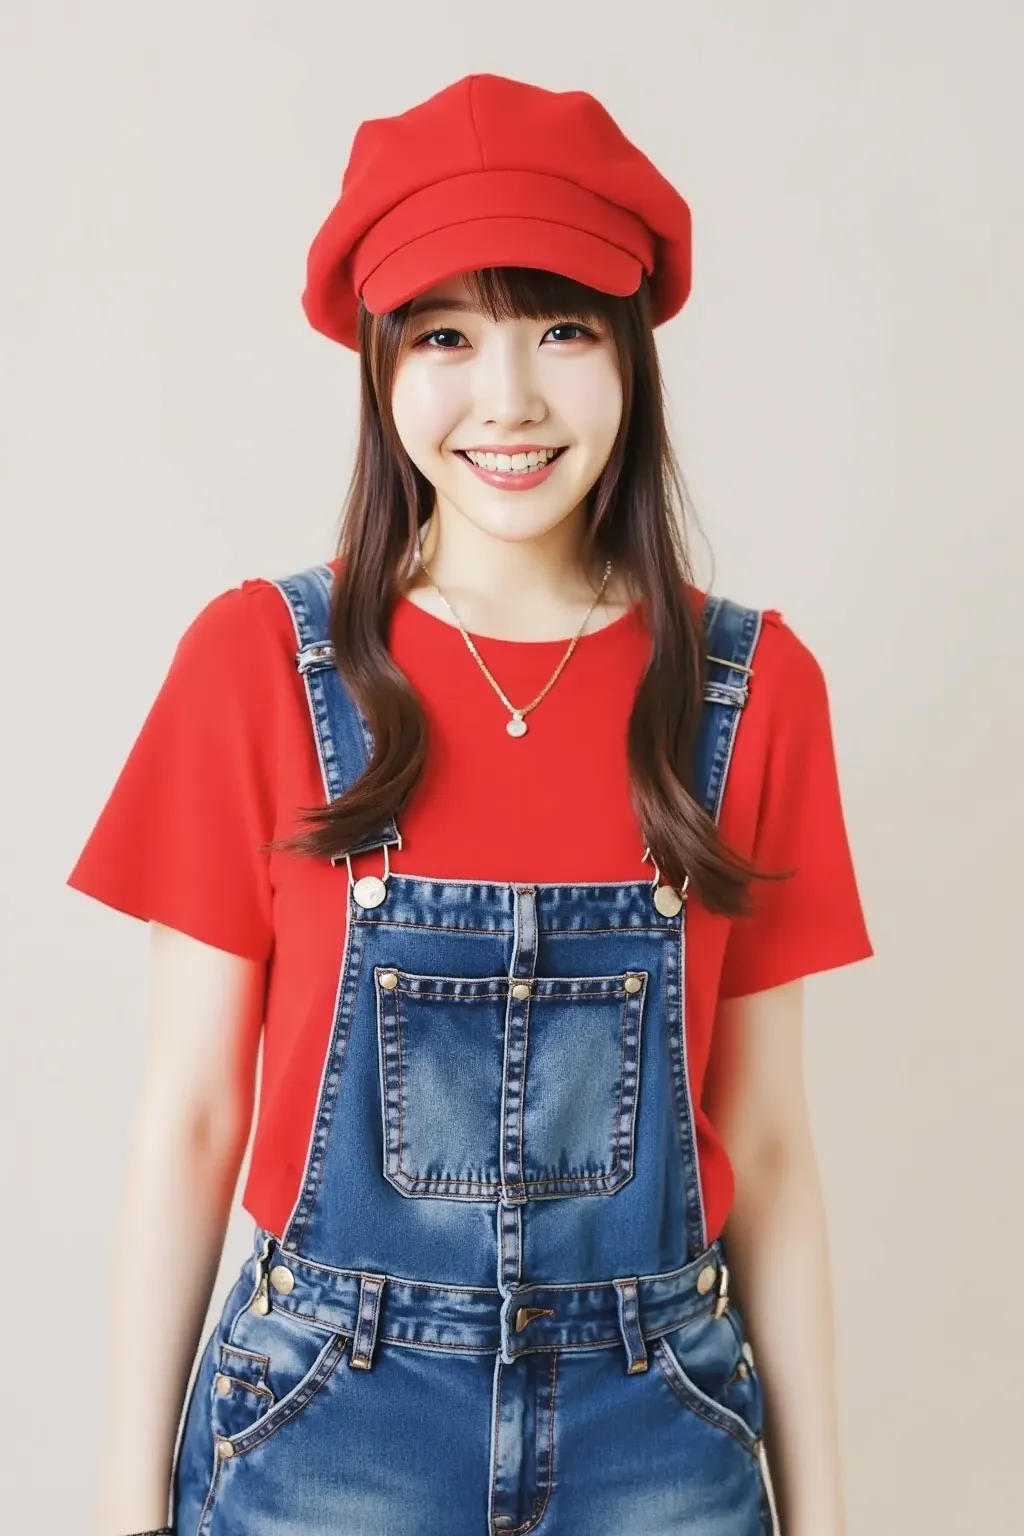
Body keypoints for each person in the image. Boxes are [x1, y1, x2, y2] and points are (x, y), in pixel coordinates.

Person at [68, 72, 873, 1536]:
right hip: (324, 1429)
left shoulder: (750, 689)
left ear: (632, 348)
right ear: (380, 366)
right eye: (447, 334)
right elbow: (191, 1116)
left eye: (561, 328)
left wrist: (822, 1515)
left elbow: (764, 1142)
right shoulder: (257, 664)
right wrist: (127, 1504)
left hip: (660, 1439)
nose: (507, 398)